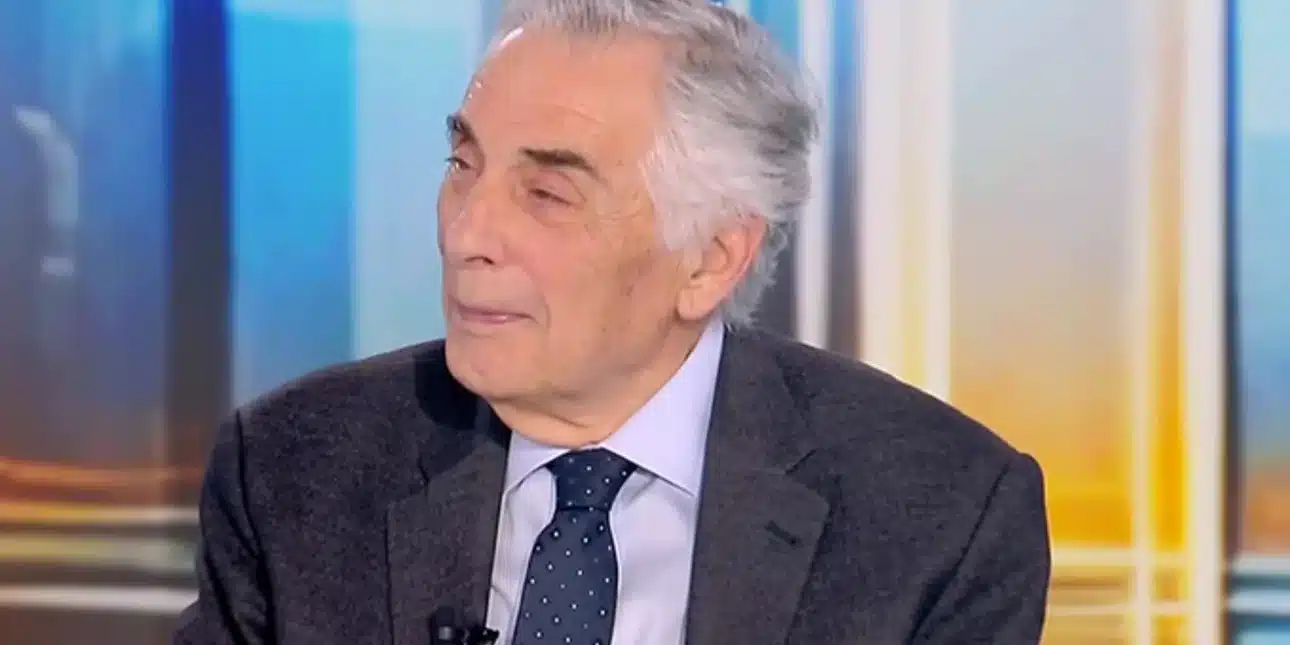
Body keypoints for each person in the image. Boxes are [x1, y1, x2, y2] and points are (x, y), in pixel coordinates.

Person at [174, 1, 1051, 644]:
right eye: (463, 163)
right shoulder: (295, 471)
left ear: (710, 259)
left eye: (547, 193)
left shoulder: (940, 520)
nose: (467, 232)